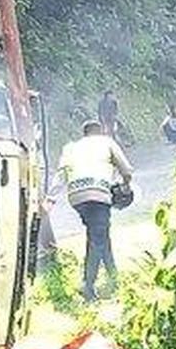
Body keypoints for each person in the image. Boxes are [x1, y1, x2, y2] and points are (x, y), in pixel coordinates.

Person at [48, 120, 134, 302]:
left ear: (84, 133)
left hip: (77, 197)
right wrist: (125, 186)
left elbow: (60, 175)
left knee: (100, 235)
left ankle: (113, 276)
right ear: (101, 131)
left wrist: (50, 199)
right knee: (97, 239)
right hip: (99, 195)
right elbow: (127, 171)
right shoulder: (107, 142)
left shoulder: (70, 148)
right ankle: (87, 285)